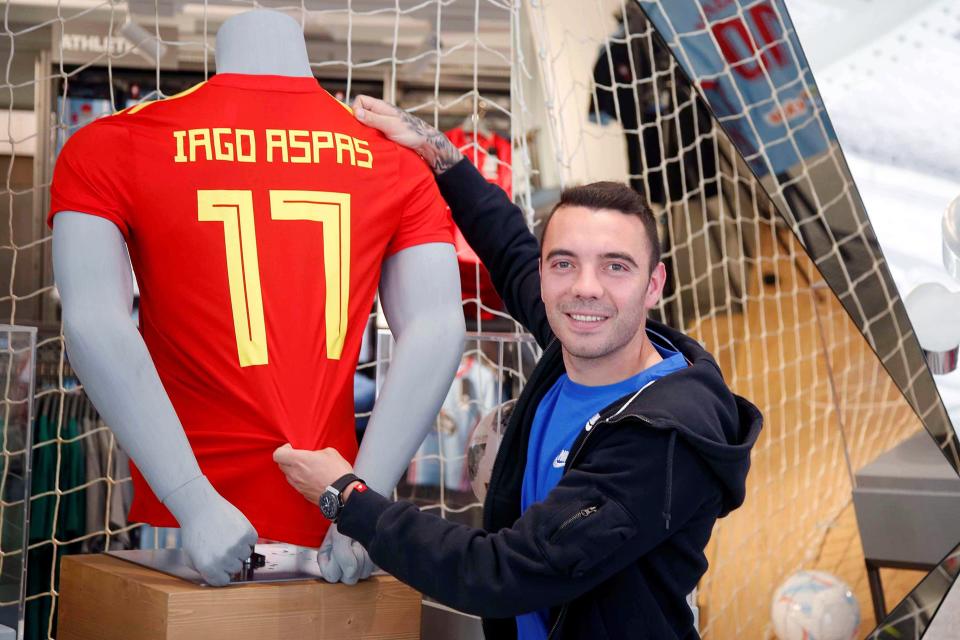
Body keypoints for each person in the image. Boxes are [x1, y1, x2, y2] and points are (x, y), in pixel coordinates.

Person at [274, 95, 763, 640]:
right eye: (564, 263)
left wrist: (348, 498)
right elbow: (508, 246)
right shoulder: (574, 340)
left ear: (653, 286)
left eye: (615, 267)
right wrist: (439, 153)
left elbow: (500, 573)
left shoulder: (663, 436)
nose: (585, 287)